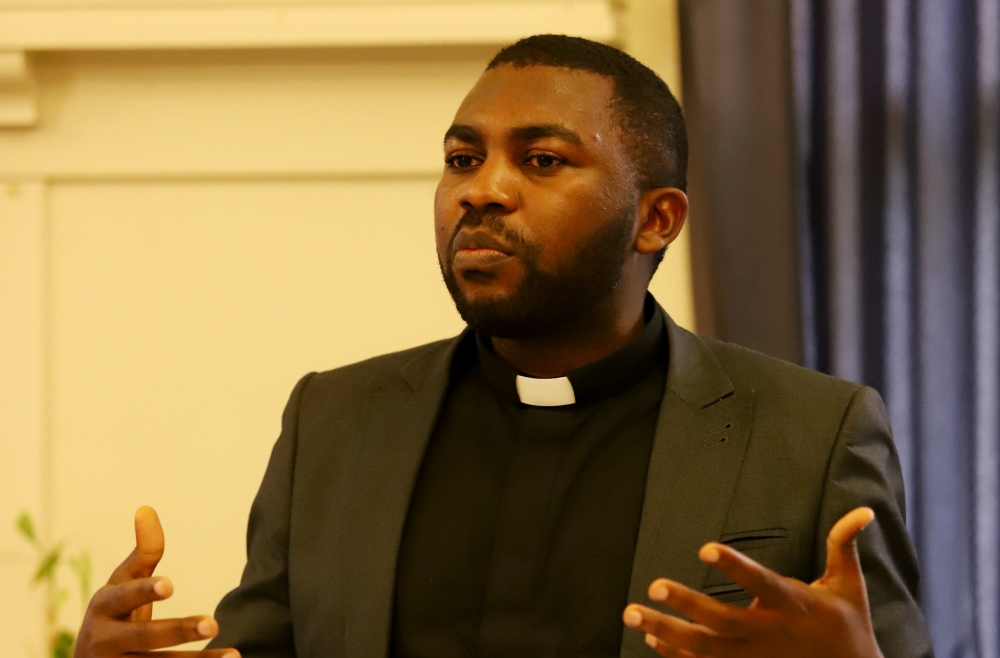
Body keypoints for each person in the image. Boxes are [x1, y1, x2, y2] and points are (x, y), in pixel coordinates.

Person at [72, 35, 934, 658]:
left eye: (543, 161)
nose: (481, 190)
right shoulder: (333, 421)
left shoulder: (812, 433)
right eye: (461, 157)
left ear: (655, 219)